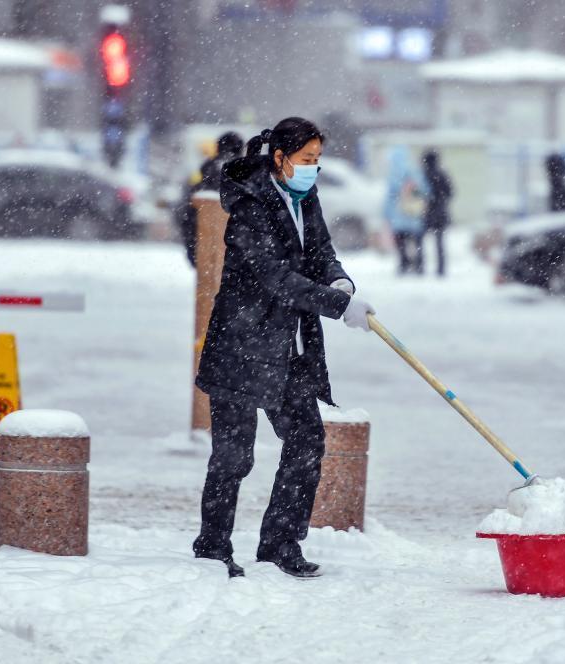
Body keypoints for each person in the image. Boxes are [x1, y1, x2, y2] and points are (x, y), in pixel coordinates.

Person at [193, 117, 375, 579]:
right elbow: (273, 279)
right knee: (235, 455)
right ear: (279, 158)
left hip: (288, 347)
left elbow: (320, 250)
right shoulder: (251, 207)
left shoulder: (303, 196)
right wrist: (338, 306)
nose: (313, 168)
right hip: (241, 342)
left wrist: (338, 279)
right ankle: (213, 547)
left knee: (307, 440)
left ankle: (280, 542)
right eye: (306, 160)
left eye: (318, 160)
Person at [176, 132, 245, 266]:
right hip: (239, 262)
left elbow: (188, 221)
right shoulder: (247, 174)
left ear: (217, 148)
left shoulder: (206, 173)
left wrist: (195, 256)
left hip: (206, 256)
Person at [384, 146, 427, 275]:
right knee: (417, 242)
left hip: (399, 215)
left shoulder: (393, 175)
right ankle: (419, 265)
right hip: (414, 214)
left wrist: (386, 214)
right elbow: (425, 190)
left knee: (401, 242)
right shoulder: (415, 172)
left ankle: (404, 264)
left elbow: (390, 198)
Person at [420, 150, 453, 276]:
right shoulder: (443, 174)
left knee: (420, 241)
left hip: (425, 213)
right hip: (441, 213)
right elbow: (451, 193)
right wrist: (441, 200)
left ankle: (420, 267)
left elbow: (417, 194)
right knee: (439, 243)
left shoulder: (422, 175)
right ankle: (441, 269)